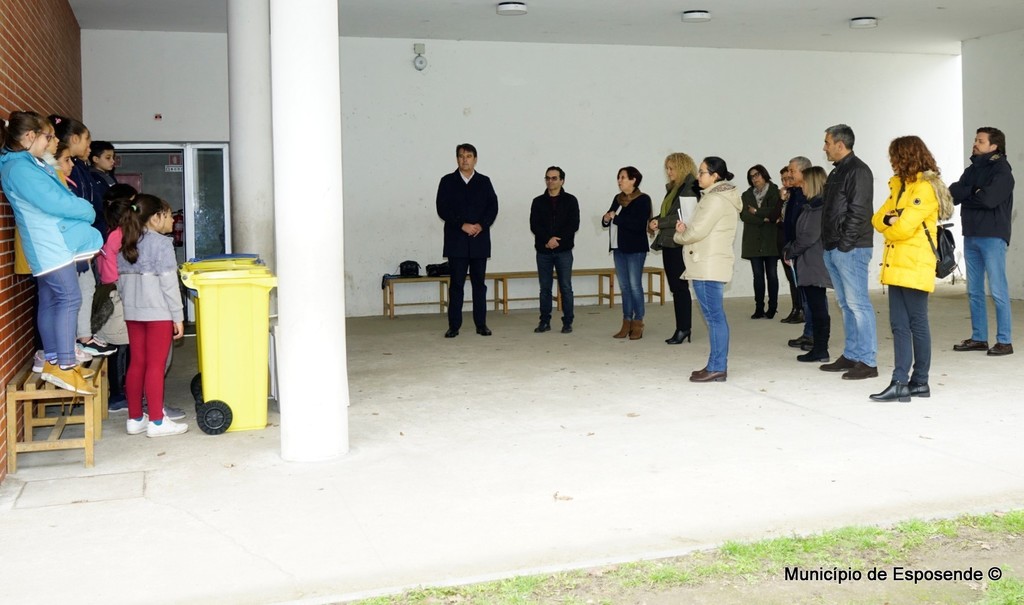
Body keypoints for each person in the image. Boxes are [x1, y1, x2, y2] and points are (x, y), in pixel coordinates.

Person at [1, 111, 103, 394]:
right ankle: (65, 366)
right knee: (69, 298)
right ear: (30, 136)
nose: (52, 142)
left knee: (51, 299)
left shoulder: (26, 164)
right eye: (48, 136)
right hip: (49, 244)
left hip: (50, 243)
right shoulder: (20, 169)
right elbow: (56, 202)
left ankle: (55, 360)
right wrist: (88, 210)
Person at [870, 136, 951, 402]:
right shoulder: (899, 187)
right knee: (898, 325)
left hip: (915, 264)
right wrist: (891, 219)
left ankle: (919, 381)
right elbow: (876, 219)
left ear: (906, 156)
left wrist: (892, 222)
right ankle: (902, 381)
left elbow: (903, 228)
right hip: (896, 264)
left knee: (916, 323)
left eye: (894, 156)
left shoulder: (925, 189)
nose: (892, 162)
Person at [117, 194, 188, 437]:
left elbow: (120, 282)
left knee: (137, 363)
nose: (171, 220)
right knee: (156, 366)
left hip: (133, 312)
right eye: (168, 215)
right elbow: (169, 284)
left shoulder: (127, 240)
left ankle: (135, 418)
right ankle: (157, 421)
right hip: (157, 312)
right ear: (156, 217)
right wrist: (178, 315)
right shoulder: (161, 243)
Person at [674, 157, 741, 382]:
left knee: (714, 318)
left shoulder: (714, 200)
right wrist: (688, 228)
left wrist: (680, 234)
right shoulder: (720, 197)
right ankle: (716, 365)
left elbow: (696, 232)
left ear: (715, 176)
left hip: (707, 264)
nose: (698, 176)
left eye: (702, 172)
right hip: (710, 262)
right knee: (715, 317)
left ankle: (717, 367)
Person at [819, 124, 878, 380]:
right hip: (835, 247)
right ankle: (852, 354)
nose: (825, 147)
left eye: (827, 142)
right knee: (845, 304)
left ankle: (868, 361)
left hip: (851, 248)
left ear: (840, 145)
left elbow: (859, 211)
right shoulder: (837, 172)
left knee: (858, 305)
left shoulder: (858, 171)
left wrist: (845, 244)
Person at [949, 127, 1015, 356]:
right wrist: (973, 191)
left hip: (993, 237)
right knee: (974, 290)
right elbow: (953, 193)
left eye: (980, 140)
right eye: (975, 140)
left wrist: (970, 195)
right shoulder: (972, 169)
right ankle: (979, 338)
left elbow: (988, 199)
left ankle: (1004, 341)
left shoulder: (1003, 171)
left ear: (994, 146)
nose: (975, 143)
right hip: (972, 235)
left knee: (997, 290)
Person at [436, 143, 499, 338]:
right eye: (461, 156)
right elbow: (442, 209)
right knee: (457, 286)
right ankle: (454, 326)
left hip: (479, 241)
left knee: (479, 285)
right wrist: (461, 225)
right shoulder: (447, 181)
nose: (465, 159)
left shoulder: (484, 181)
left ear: (475, 159)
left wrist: (481, 225)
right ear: (457, 159)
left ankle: (481, 324)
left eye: (469, 156)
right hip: (457, 242)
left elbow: (493, 207)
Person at [649, 153, 699, 344]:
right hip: (670, 241)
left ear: (682, 167)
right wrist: (656, 220)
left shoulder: (689, 187)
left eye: (672, 168)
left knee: (679, 287)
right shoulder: (675, 188)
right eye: (667, 169)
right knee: (677, 287)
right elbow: (669, 212)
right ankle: (683, 327)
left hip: (679, 243)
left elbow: (684, 217)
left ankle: (684, 328)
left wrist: (659, 222)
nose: (668, 172)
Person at [783, 166, 832, 363]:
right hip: (809, 261)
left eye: (803, 183)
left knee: (818, 307)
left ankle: (821, 349)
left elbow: (808, 237)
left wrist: (790, 251)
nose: (800, 186)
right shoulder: (812, 206)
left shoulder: (818, 208)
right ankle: (819, 348)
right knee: (815, 305)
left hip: (814, 262)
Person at [602, 166, 652, 340]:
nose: (619, 180)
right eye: (618, 177)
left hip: (635, 249)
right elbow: (610, 216)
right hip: (619, 248)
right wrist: (606, 218)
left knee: (635, 286)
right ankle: (626, 321)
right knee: (624, 287)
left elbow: (637, 224)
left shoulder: (643, 199)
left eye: (623, 177)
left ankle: (638, 322)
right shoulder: (618, 198)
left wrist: (616, 218)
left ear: (633, 180)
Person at [530, 166, 579, 334]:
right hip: (543, 251)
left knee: (565, 287)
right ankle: (544, 321)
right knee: (545, 288)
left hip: (563, 250)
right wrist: (547, 240)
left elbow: (573, 224)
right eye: (548, 178)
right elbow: (534, 224)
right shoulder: (538, 201)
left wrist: (557, 240)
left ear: (562, 180)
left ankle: (568, 321)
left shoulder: (571, 200)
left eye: (554, 178)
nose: (550, 181)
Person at [740, 164, 781, 319]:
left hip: (771, 239)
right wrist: (765, 218)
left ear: (764, 174)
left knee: (772, 274)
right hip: (753, 241)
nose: (754, 178)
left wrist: (756, 211)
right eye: (751, 176)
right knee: (757, 275)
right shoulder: (746, 195)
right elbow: (744, 215)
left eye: (757, 174)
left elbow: (775, 211)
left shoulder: (775, 192)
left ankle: (772, 307)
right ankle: (759, 307)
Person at [784, 156, 815, 350]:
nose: (789, 174)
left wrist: (795, 248)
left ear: (803, 172)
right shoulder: (795, 192)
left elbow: (807, 229)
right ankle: (808, 333)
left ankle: (814, 336)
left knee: (813, 296)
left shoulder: (810, 195)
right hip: (794, 249)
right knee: (804, 295)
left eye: (792, 171)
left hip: (807, 251)